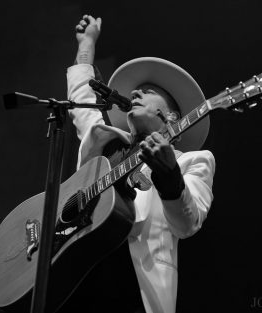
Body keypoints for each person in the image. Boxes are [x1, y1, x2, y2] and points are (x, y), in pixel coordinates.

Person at [58, 14, 215, 313]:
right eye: (136, 90)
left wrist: (168, 175)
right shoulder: (108, 145)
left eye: (149, 91)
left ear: (171, 117)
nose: (135, 93)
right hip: (75, 280)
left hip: (130, 289)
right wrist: (86, 44)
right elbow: (81, 97)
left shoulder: (193, 161)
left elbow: (187, 224)